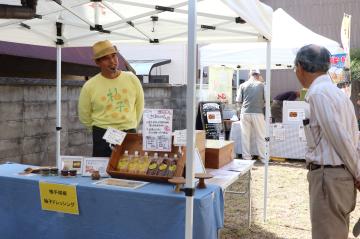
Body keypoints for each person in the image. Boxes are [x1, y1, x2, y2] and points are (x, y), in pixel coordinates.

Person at [294, 44, 360, 239]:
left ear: (300, 67)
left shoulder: (319, 93)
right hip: (339, 177)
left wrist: (358, 172)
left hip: (328, 178)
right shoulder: (337, 93)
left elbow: (340, 138)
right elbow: (352, 137)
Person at [78, 40, 144, 157]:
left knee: (129, 170)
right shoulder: (90, 85)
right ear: (98, 62)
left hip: (128, 131)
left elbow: (139, 106)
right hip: (103, 133)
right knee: (103, 171)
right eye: (106, 58)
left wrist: (131, 124)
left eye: (114, 56)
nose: (112, 61)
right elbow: (84, 115)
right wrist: (100, 129)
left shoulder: (131, 78)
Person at [236, 69, 265, 161]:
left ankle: (246, 157)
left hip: (245, 112)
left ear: (250, 75)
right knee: (260, 135)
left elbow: (238, 100)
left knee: (245, 136)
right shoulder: (262, 85)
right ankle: (263, 157)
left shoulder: (242, 85)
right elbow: (266, 100)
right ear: (258, 75)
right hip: (257, 112)